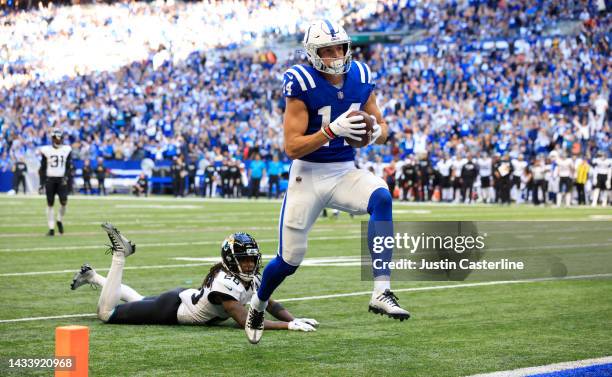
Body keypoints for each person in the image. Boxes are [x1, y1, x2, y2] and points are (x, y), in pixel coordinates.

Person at [245, 19, 409, 345]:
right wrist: (331, 131)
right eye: (327, 49)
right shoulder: (300, 81)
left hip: (343, 171)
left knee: (381, 197)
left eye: (340, 47)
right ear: (312, 53)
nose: (336, 54)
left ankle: (381, 290)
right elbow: (292, 146)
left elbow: (382, 125)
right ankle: (258, 303)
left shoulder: (361, 75)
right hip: (307, 175)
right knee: (289, 260)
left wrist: (377, 133)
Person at [71, 224, 318, 332]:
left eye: (252, 259)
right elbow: (245, 322)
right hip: (172, 310)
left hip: (181, 299)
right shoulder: (225, 283)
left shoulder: (248, 277)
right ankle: (119, 255)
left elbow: (270, 303)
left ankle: (94, 277)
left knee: (140, 300)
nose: (250, 264)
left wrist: (295, 319)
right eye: (244, 259)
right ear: (231, 259)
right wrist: (288, 326)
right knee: (107, 314)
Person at [38, 128, 72, 236]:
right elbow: (42, 168)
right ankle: (51, 228)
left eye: (60, 138)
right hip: (50, 179)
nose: (59, 140)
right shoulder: (46, 150)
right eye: (57, 138)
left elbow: (68, 166)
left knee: (64, 202)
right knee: (50, 204)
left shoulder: (66, 149)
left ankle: (59, 220)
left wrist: (67, 177)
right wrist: (41, 183)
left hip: (61, 179)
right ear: (53, 138)